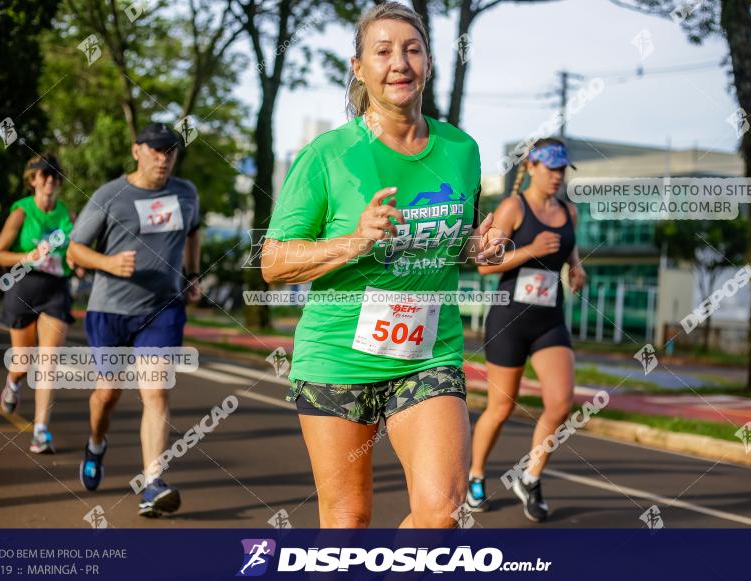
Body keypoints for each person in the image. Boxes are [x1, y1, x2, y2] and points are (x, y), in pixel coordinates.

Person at [261, 2, 503, 529]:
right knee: (348, 521)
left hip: (427, 353)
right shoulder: (328, 155)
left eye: (412, 49)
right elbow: (274, 262)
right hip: (337, 356)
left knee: (442, 511)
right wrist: (352, 241)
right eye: (384, 50)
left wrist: (476, 249)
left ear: (429, 64)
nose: (400, 62)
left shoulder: (461, 150)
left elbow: (453, 240)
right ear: (359, 67)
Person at [68, 122, 201, 518]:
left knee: (156, 392)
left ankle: (152, 483)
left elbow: (193, 232)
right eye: (155, 150)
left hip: (162, 308)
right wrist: (107, 262)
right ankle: (95, 443)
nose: (163, 158)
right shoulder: (111, 195)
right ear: (136, 151)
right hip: (110, 310)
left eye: (170, 151)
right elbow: (75, 250)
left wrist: (191, 276)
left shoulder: (186, 193)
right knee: (108, 394)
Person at [466, 138, 587, 522]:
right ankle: (475, 476)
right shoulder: (512, 208)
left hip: (550, 318)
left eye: (562, 170)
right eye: (550, 169)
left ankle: (531, 478)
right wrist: (529, 249)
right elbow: (485, 265)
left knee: (561, 402)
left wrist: (577, 266)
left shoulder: (569, 210)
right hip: (510, 319)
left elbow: (567, 249)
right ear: (532, 166)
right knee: (501, 408)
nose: (557, 177)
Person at [0, 154, 76, 454]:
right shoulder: (21, 212)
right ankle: (13, 384)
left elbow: (74, 249)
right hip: (23, 286)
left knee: (49, 361)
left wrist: (77, 261)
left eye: (56, 175)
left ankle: (41, 430)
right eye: (45, 174)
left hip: (56, 289)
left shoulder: (66, 213)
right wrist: (27, 257)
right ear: (33, 180)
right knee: (23, 361)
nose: (51, 179)